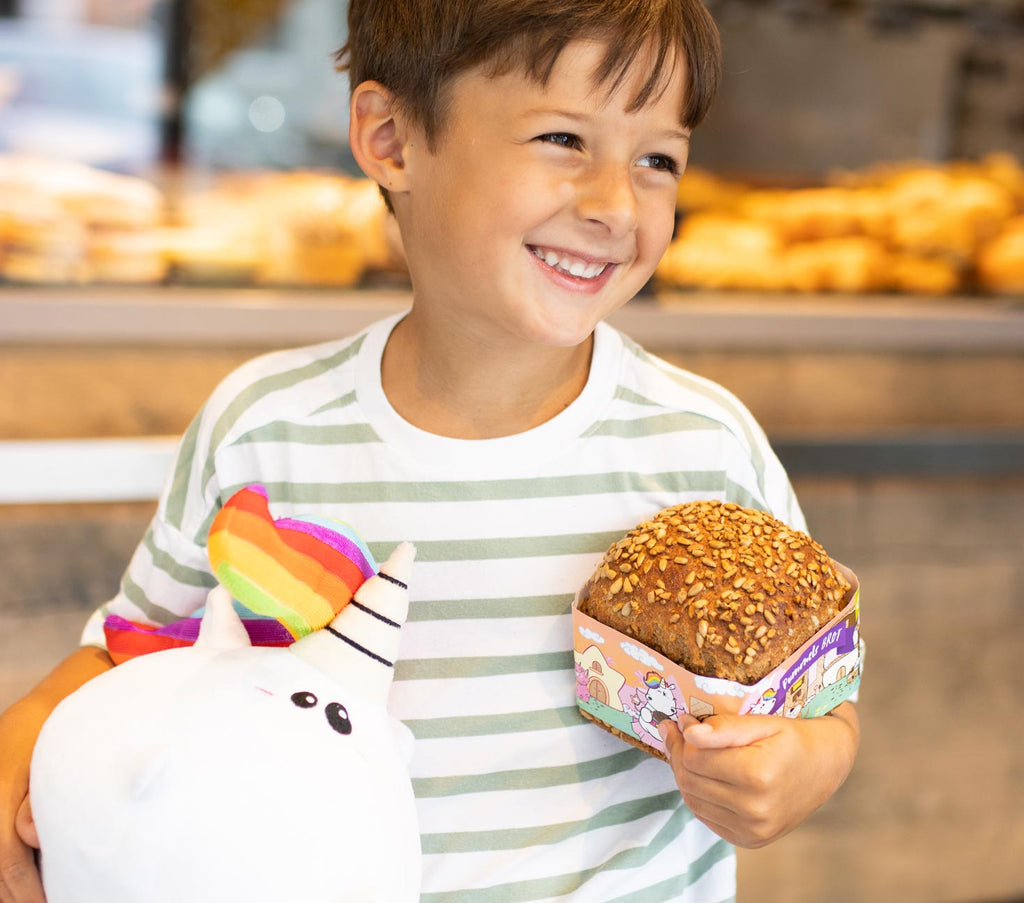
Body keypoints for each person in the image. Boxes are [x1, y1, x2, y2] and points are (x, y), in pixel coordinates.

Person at [0, 1, 860, 900]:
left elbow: (826, 700)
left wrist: (803, 765)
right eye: (565, 138)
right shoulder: (264, 425)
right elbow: (132, 650)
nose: (615, 204)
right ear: (390, 138)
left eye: (658, 160)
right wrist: (27, 723)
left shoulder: (706, 446)